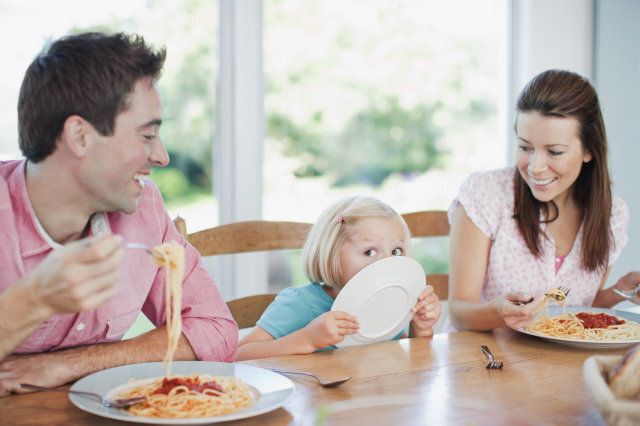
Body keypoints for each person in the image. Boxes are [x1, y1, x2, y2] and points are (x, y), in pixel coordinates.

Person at [0, 32, 237, 395]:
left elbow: (215, 329)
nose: (162, 157)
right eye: (146, 136)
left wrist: (68, 365)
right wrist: (34, 300)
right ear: (80, 136)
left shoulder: (144, 208)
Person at [447, 69, 632, 332]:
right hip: (482, 358)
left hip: (554, 364)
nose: (535, 167)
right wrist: (498, 312)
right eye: (525, 147)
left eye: (554, 152)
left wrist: (618, 292)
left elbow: (582, 305)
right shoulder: (485, 193)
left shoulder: (612, 215)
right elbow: (459, 313)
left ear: (589, 149)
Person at [236, 196, 441, 360]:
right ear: (332, 252)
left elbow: (409, 362)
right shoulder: (299, 303)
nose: (386, 263)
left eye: (396, 251)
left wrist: (421, 328)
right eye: (370, 252)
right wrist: (307, 339)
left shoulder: (389, 303)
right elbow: (238, 356)